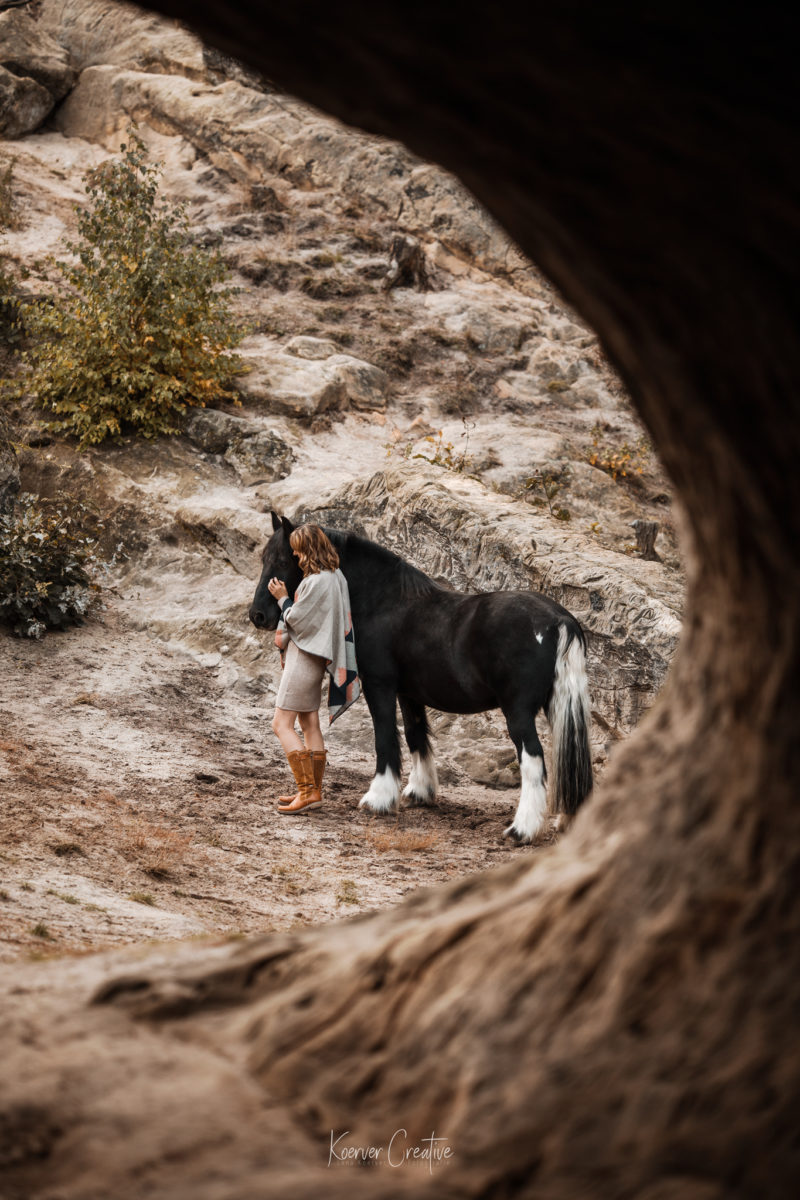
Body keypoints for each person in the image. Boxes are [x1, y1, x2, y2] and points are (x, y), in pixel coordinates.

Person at [267, 524, 359, 814]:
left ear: (307, 549)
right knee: (309, 724)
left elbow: (297, 619)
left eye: (297, 548)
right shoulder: (336, 577)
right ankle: (312, 791)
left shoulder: (316, 581)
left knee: (280, 724)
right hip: (316, 659)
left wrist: (282, 597)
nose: (294, 553)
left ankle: (307, 792)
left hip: (303, 659)